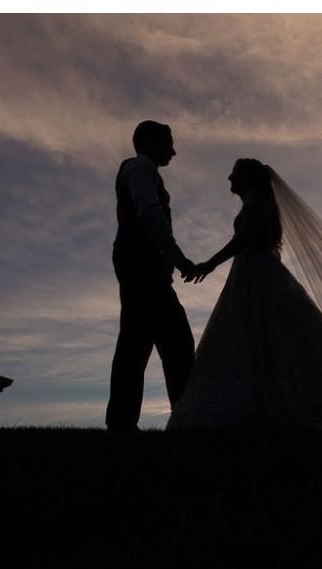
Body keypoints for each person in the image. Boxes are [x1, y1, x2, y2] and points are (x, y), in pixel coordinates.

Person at [166, 159, 322, 431]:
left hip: (256, 276)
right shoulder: (259, 203)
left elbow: (244, 240)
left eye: (235, 173)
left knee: (262, 338)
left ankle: (269, 405)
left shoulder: (257, 202)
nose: (229, 178)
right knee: (260, 341)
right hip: (252, 275)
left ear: (248, 177)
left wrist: (210, 264)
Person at [105, 121, 197, 433]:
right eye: (168, 142)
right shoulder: (140, 167)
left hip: (150, 269)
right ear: (151, 141)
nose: (173, 150)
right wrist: (176, 256)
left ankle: (184, 417)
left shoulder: (145, 170)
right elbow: (148, 211)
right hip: (140, 265)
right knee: (138, 341)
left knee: (174, 342)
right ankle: (121, 422)